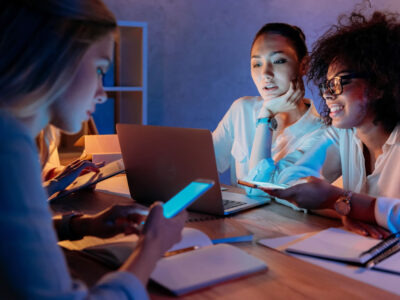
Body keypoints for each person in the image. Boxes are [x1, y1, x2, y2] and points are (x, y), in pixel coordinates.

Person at [0, 1, 186, 298]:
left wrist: (81, 225)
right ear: (55, 55)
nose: (102, 93)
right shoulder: (9, 147)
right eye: (100, 69)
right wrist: (152, 246)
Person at [264, 11, 400, 237]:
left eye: (337, 83)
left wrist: (339, 200)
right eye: (326, 86)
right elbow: (285, 183)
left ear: (379, 83)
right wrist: (344, 209)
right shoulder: (343, 134)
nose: (327, 95)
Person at [212, 23, 325, 203]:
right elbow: (202, 167)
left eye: (278, 61)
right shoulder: (241, 110)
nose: (265, 73)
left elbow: (260, 190)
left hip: (286, 228)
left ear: (303, 65)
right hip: (236, 223)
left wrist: (266, 117)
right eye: (257, 64)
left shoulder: (321, 134)